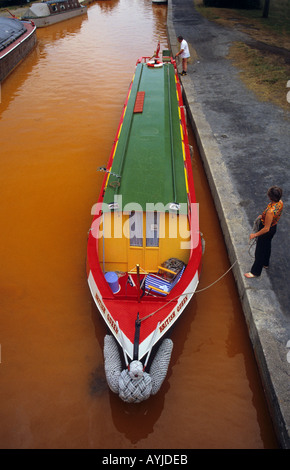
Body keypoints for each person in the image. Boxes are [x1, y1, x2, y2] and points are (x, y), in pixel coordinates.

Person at [245, 186, 283, 278]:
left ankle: (255, 272)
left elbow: (266, 229)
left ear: (271, 197)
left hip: (267, 229)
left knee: (259, 251)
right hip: (273, 226)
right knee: (267, 245)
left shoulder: (270, 211)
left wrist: (255, 235)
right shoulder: (280, 203)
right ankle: (265, 263)